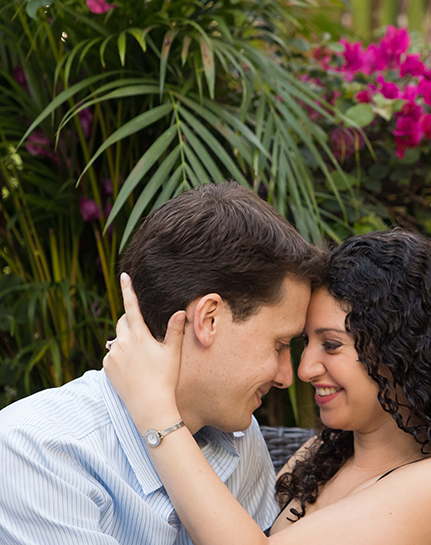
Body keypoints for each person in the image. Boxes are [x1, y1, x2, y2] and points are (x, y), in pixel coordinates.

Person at [105, 230, 431, 545]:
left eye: (332, 345)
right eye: (303, 343)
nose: (303, 369)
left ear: (406, 351)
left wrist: (157, 412)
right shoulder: (327, 454)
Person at [0, 182, 324, 545]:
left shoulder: (240, 438)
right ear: (209, 319)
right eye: (280, 345)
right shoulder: (36, 453)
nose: (286, 376)